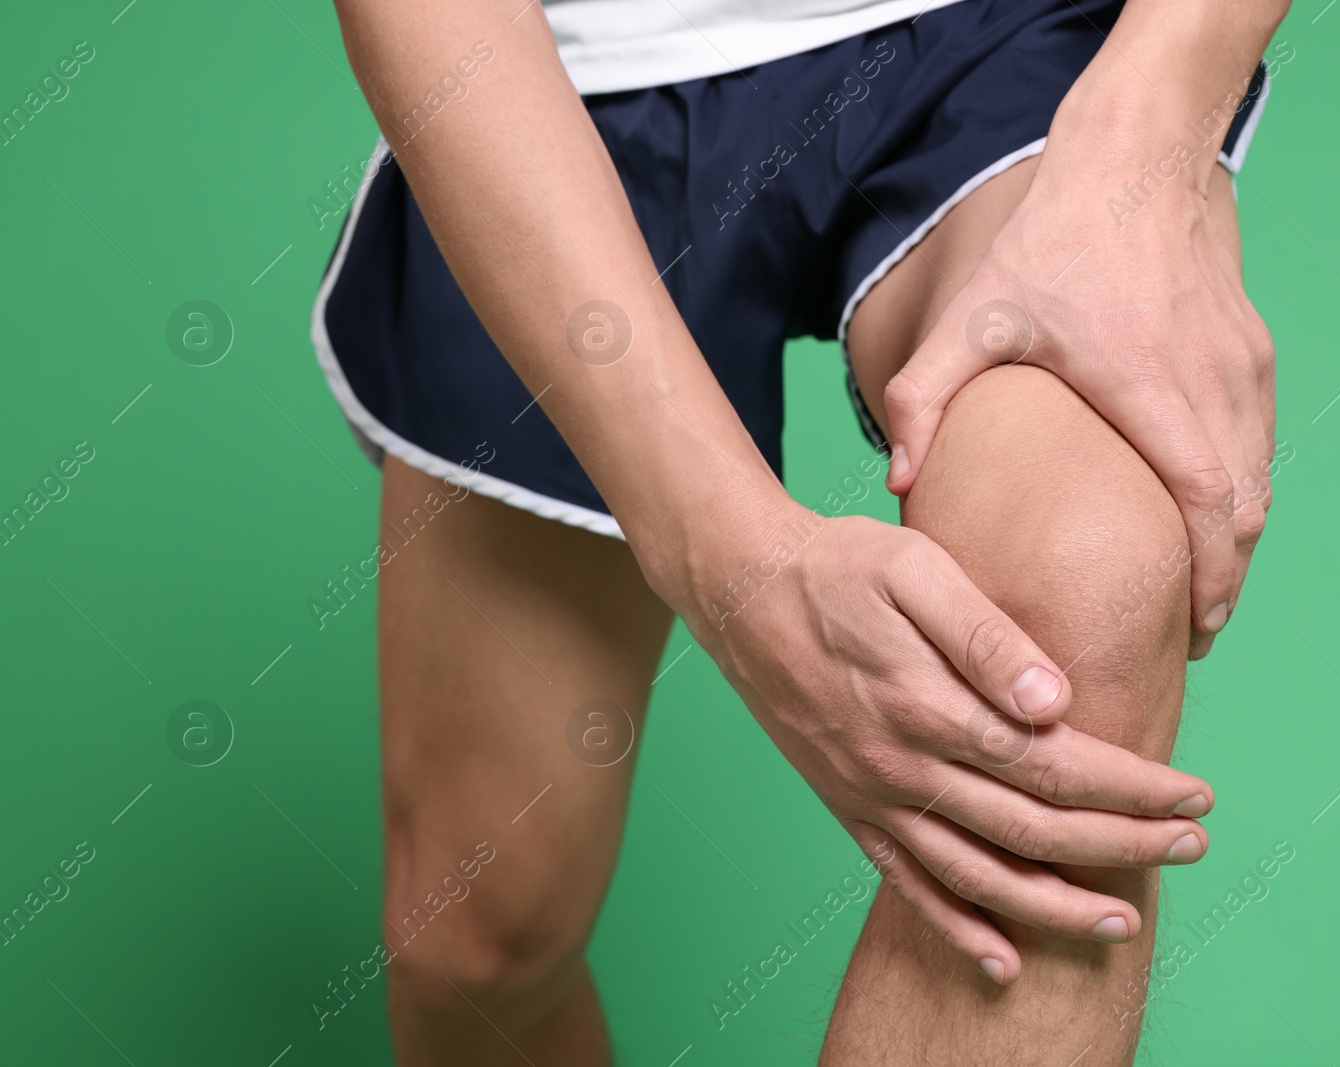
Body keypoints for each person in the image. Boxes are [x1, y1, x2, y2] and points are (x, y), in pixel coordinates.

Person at [312, 0, 1285, 1061]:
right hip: (555, 85)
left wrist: (1141, 137)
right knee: (477, 946)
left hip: (1014, 42)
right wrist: (734, 565)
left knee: (1062, 637)